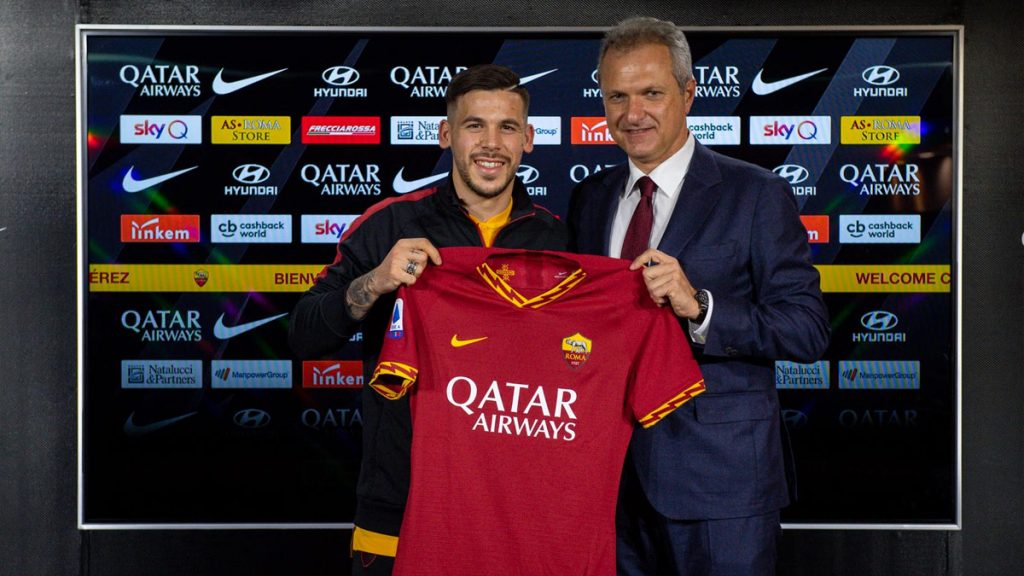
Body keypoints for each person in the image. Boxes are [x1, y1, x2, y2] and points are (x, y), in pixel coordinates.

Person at [568, 16, 830, 576]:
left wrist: (701, 308)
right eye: (617, 96)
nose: (632, 113)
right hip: (606, 480)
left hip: (722, 484)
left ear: (688, 94)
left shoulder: (757, 194)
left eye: (651, 93)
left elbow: (807, 329)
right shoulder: (589, 198)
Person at [289, 64, 568, 575]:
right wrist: (374, 281)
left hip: (516, 510)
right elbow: (304, 336)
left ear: (528, 140)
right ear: (446, 134)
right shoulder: (390, 223)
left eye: (507, 127)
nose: (491, 143)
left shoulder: (561, 242)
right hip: (398, 505)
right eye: (474, 125)